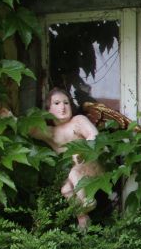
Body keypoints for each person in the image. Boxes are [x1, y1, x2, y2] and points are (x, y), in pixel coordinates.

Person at [31, 87, 103, 228]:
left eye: (66, 103)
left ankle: (87, 201)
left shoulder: (78, 121)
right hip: (75, 173)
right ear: (48, 109)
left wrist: (84, 151)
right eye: (57, 103)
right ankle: (83, 220)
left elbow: (93, 134)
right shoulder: (51, 132)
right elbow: (30, 130)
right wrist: (11, 118)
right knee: (66, 190)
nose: (62, 107)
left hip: (91, 166)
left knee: (74, 173)